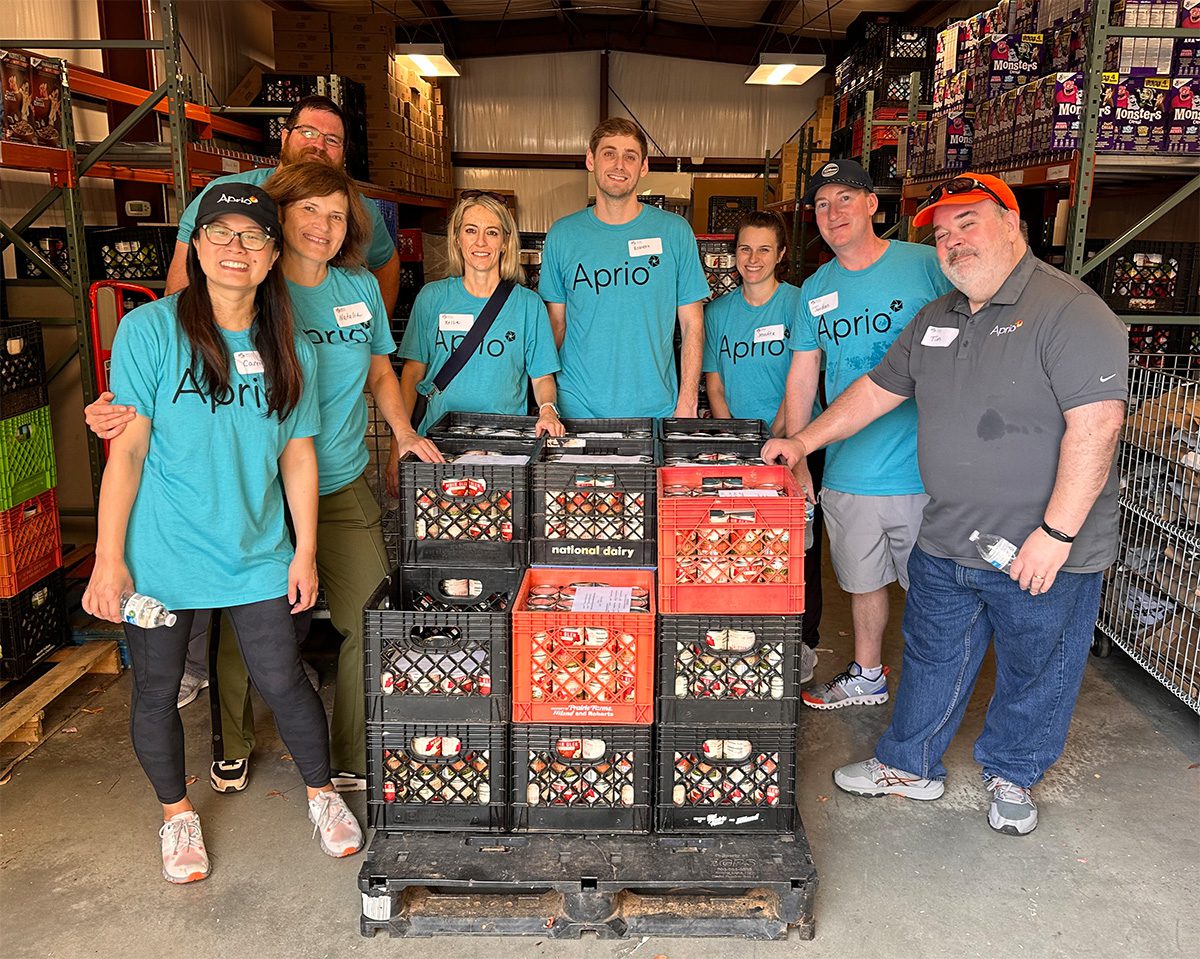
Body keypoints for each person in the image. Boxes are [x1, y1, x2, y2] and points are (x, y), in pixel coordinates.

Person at [764, 174, 1127, 836]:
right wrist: (802, 440)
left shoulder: (1070, 311)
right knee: (933, 655)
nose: (955, 242)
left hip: (1039, 545)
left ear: (1012, 224)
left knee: (1036, 666)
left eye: (970, 224)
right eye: (943, 233)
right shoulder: (939, 316)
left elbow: (1097, 425)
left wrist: (1057, 530)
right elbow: (876, 391)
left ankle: (1013, 772)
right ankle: (909, 763)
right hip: (950, 535)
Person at [86, 163, 418, 795]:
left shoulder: (329, 307)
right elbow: (140, 426)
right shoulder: (204, 311)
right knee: (226, 645)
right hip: (218, 511)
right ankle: (219, 760)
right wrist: (113, 414)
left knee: (338, 632)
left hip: (322, 484)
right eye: (309, 212)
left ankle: (342, 764)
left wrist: (400, 435)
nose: (322, 226)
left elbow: (369, 383)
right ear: (280, 225)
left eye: (337, 214)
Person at [782, 159, 953, 712]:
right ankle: (868, 673)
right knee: (861, 582)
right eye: (822, 205)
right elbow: (804, 375)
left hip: (925, 468)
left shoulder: (927, 264)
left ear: (873, 204)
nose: (833, 213)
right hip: (850, 468)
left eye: (845, 199)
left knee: (935, 594)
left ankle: (937, 694)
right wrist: (799, 452)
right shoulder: (816, 288)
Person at [700, 209, 823, 682]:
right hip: (739, 448)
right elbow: (715, 384)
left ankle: (803, 641)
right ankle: (747, 632)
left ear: (782, 255)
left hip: (794, 444)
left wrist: (778, 436)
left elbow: (803, 376)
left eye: (764, 249)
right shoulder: (718, 312)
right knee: (740, 542)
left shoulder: (798, 304)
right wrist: (736, 439)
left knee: (800, 548)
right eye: (745, 249)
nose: (753, 259)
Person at [538, 118, 709, 418]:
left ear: (643, 166)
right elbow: (556, 326)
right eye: (609, 153)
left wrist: (688, 401)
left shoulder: (674, 232)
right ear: (590, 159)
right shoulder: (563, 235)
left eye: (630, 156)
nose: (619, 164)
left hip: (656, 407)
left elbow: (692, 324)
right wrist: (546, 403)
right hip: (577, 406)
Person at [390, 191, 564, 456]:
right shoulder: (432, 298)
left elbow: (541, 377)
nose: (481, 242)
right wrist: (398, 444)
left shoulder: (528, 305)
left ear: (505, 242)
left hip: (504, 446)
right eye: (471, 230)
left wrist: (548, 410)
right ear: (457, 238)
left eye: (492, 232)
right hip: (437, 445)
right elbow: (412, 374)